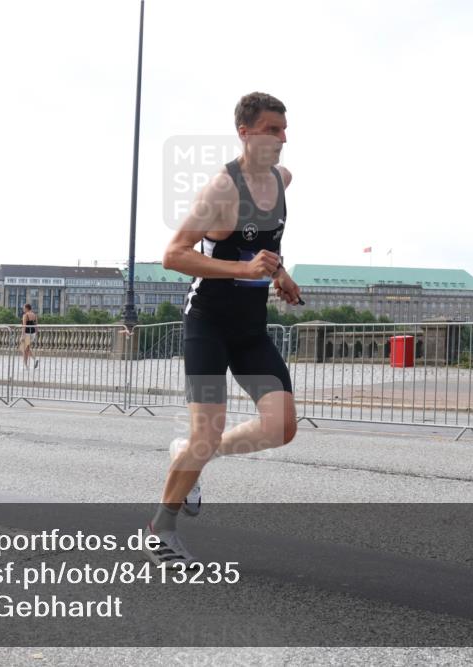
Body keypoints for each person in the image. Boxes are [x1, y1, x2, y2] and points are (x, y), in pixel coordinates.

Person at [144, 92, 302, 568]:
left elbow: (265, 247)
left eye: (284, 128)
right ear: (246, 132)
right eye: (273, 128)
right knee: (206, 432)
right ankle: (161, 529)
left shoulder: (282, 179)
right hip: (208, 324)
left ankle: (195, 453)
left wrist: (279, 275)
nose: (283, 137)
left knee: (282, 428)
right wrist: (245, 270)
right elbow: (173, 254)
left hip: (250, 330)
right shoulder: (221, 190)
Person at [20, 303, 39, 369]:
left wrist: (22, 335)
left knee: (24, 349)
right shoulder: (34, 315)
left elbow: (24, 326)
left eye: (24, 308)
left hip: (27, 333)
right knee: (27, 349)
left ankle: (26, 365)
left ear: (27, 308)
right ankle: (33, 361)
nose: (23, 309)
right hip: (33, 333)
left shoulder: (25, 315)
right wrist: (36, 334)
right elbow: (36, 326)